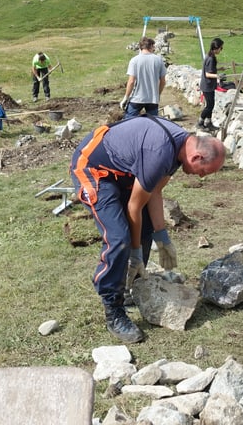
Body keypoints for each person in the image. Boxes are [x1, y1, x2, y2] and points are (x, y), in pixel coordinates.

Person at [70, 116, 227, 343]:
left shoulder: (179, 147)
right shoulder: (160, 152)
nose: (202, 177)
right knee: (119, 238)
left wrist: (161, 237)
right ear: (197, 156)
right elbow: (134, 206)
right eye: (205, 171)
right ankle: (113, 309)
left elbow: (153, 191)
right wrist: (134, 254)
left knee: (145, 229)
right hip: (92, 169)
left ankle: (132, 286)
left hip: (121, 171)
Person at [120, 37, 167, 118]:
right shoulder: (158, 60)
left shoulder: (134, 60)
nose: (154, 48)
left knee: (128, 122)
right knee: (153, 124)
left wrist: (126, 97)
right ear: (151, 46)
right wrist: (157, 94)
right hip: (152, 99)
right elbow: (163, 81)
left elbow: (131, 81)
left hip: (137, 99)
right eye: (153, 46)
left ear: (141, 47)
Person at [198, 37, 225, 132]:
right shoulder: (211, 58)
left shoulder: (209, 56)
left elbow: (210, 70)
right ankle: (200, 122)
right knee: (209, 105)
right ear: (216, 48)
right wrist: (218, 76)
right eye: (221, 48)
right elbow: (207, 74)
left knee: (211, 104)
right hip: (207, 85)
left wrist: (219, 69)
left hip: (208, 85)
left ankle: (208, 122)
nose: (221, 50)